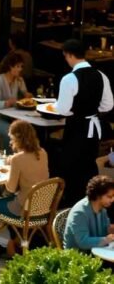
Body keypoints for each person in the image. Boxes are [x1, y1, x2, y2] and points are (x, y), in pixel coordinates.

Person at [56, 38, 114, 205]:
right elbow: (108, 105)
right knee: (89, 164)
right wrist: (92, 110)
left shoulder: (69, 79)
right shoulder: (101, 76)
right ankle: (91, 201)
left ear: (69, 55)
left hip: (76, 126)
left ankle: (71, 203)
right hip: (93, 127)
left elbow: (63, 110)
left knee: (71, 164)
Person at [0, 120, 50, 256]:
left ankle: (2, 245)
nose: (10, 142)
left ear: (17, 138)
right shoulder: (42, 153)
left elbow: (11, 188)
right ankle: (17, 240)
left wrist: (7, 174)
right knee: (13, 200)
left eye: (11, 138)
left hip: (26, 210)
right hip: (43, 207)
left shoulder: (18, 159)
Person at [0, 52, 32, 150]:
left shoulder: (17, 80)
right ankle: (8, 158)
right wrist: (7, 102)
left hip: (9, 116)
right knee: (12, 132)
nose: (20, 69)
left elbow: (25, 95)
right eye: (17, 66)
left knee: (27, 129)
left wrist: (25, 93)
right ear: (10, 67)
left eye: (21, 67)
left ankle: (22, 157)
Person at [63, 175, 114, 251]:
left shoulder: (102, 209)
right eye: (109, 197)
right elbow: (83, 242)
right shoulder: (80, 212)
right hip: (79, 257)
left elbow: (106, 230)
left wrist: (111, 230)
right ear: (97, 195)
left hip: (96, 252)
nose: (112, 200)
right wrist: (106, 240)